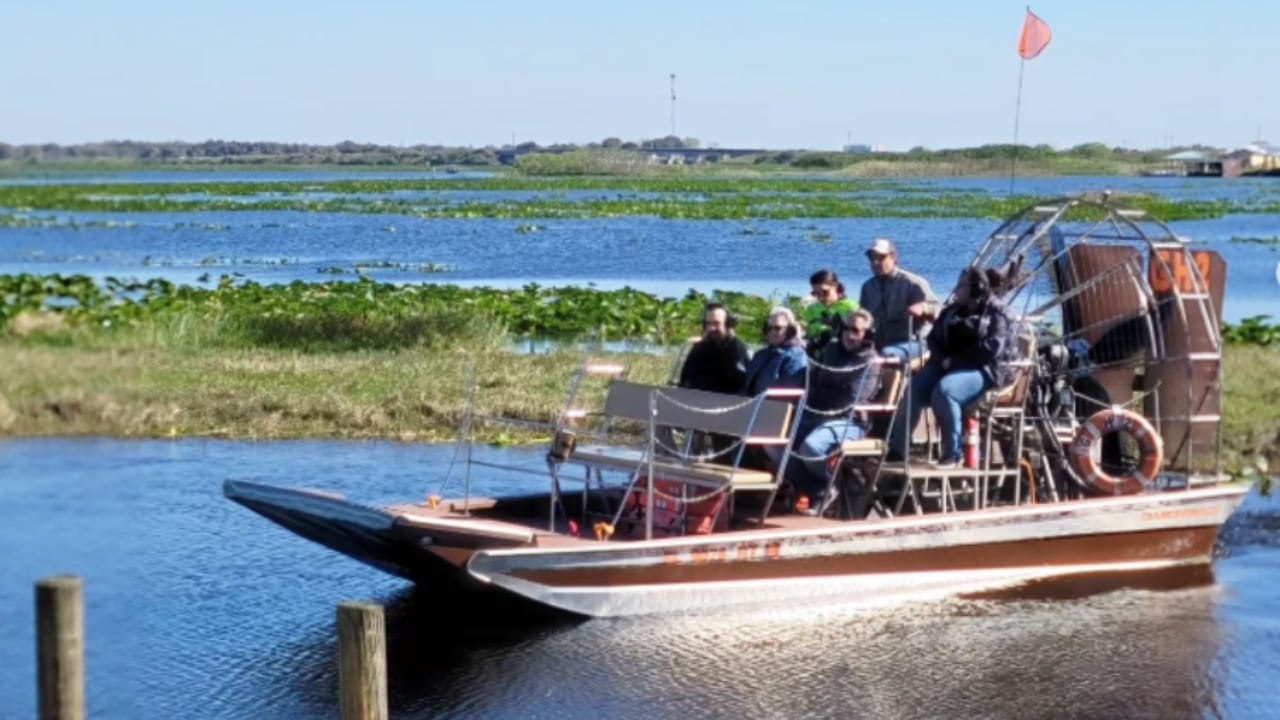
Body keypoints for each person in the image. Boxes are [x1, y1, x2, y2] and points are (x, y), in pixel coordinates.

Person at [886, 267, 1019, 468]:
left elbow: (993, 347)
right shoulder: (952, 310)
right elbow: (933, 338)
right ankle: (897, 450)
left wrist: (955, 362)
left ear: (977, 287)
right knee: (914, 387)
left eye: (962, 285)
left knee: (945, 391)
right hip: (948, 366)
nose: (956, 289)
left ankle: (952, 454)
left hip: (986, 370)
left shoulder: (998, 312)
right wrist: (941, 359)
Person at [785, 309, 881, 515]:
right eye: (846, 328)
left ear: (868, 334)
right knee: (775, 444)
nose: (849, 334)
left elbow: (851, 398)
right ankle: (819, 489)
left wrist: (823, 393)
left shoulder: (871, 362)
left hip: (850, 421)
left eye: (856, 330)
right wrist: (825, 393)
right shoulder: (831, 351)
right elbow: (813, 383)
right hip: (817, 413)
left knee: (811, 447)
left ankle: (829, 486)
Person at [858, 238, 940, 362]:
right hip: (878, 342)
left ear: (893, 257)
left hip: (913, 342)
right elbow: (863, 318)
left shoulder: (912, 282)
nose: (875, 262)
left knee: (887, 353)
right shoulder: (867, 288)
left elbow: (940, 309)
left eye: (880, 257)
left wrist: (923, 307)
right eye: (872, 258)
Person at [678, 303, 752, 395]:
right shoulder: (700, 348)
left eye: (716, 323)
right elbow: (685, 381)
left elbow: (747, 386)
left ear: (728, 324)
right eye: (708, 323)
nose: (711, 328)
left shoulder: (739, 349)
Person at [741, 307, 808, 397]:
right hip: (751, 407)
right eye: (769, 328)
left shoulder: (797, 357)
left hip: (774, 408)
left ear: (790, 330)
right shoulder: (760, 355)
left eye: (778, 328)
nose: (772, 332)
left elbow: (788, 394)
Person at [802, 269, 858, 357]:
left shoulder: (850, 307)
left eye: (825, 292)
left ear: (835, 287)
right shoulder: (811, 309)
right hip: (816, 353)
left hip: (844, 353)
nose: (821, 297)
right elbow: (806, 333)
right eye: (816, 293)